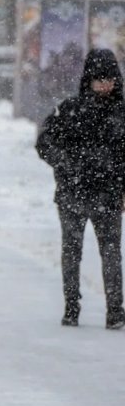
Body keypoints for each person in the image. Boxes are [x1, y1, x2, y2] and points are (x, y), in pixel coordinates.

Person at [35, 48, 125, 329]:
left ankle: (115, 311)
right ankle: (71, 307)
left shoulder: (121, 114)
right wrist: (66, 165)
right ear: (88, 79)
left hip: (108, 196)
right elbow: (44, 143)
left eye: (110, 78)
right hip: (74, 195)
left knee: (111, 253)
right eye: (100, 78)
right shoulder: (70, 110)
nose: (105, 84)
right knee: (72, 252)